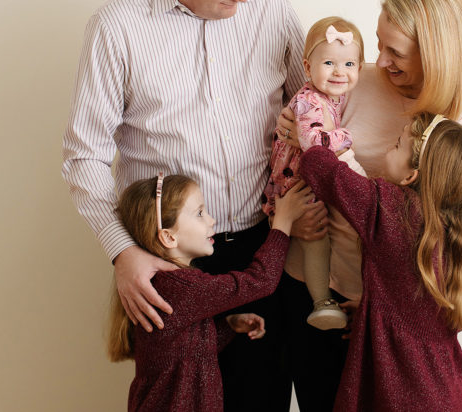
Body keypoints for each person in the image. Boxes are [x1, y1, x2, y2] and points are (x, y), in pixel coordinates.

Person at [62, 0, 317, 411]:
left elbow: (310, 109)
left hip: (263, 243)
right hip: (168, 262)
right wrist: (123, 250)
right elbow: (83, 155)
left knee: (261, 396)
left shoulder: (269, 5)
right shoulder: (117, 28)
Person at [276, 0, 462, 410]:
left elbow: (436, 236)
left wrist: (379, 312)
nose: (381, 60)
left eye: (396, 52)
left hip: (389, 321)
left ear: (434, 53)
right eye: (378, 45)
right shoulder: (354, 78)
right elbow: (300, 136)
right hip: (318, 292)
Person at [299, 114, 462, 410]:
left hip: (396, 398)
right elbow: (414, 304)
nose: (388, 150)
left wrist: (312, 132)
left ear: (410, 176)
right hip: (445, 394)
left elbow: (317, 166)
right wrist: (373, 311)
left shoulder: (391, 208)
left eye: (397, 145)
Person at [107, 173, 312, 411]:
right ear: (169, 236)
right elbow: (260, 281)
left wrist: (227, 326)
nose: (212, 221)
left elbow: (184, 350)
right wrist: (282, 225)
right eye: (200, 213)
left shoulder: (167, 284)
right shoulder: (183, 287)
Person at [262, 17, 366, 330]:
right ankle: (322, 300)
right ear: (308, 68)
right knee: (317, 236)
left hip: (305, 176)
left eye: (349, 63)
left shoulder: (333, 94)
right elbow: (311, 142)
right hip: (295, 183)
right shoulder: (309, 100)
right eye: (329, 63)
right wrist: (346, 136)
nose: (339, 71)